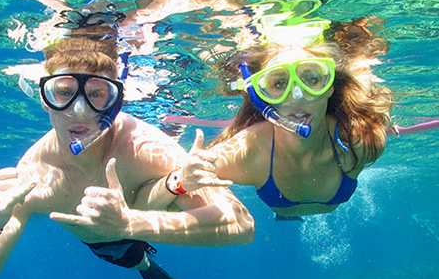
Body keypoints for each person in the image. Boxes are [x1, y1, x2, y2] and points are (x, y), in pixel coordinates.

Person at [0, 29, 255, 279]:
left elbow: (243, 225)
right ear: (45, 99)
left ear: (116, 101)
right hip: (103, 244)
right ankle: (146, 265)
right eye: (64, 92)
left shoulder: (143, 145)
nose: (80, 110)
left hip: (144, 211)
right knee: (130, 257)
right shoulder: (34, 175)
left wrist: (128, 222)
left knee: (178, 184)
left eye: (97, 94)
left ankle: (171, 188)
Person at [164, 17, 394, 222]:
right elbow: (165, 199)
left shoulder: (360, 141)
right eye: (279, 83)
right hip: (282, 205)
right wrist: (180, 181)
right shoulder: (245, 153)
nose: (297, 96)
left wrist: (375, 115)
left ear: (330, 86)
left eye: (312, 78)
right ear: (261, 95)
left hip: (285, 202)